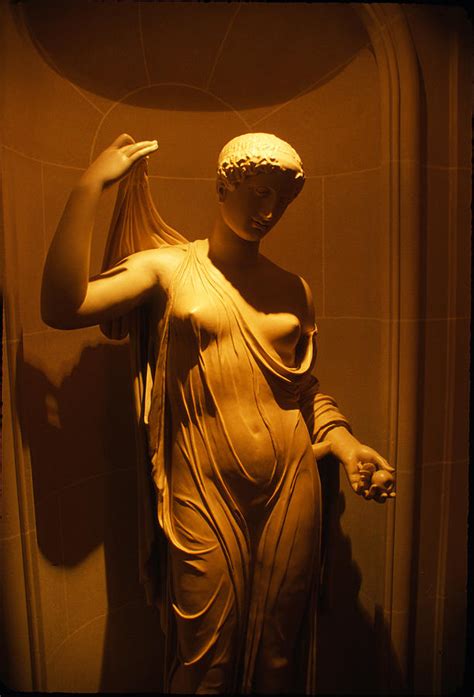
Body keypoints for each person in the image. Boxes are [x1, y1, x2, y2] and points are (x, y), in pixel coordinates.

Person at [41, 132, 395, 694]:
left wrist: (348, 445)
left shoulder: (293, 289)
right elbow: (64, 307)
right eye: (257, 192)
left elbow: (304, 394)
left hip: (292, 489)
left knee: (278, 657)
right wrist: (89, 187)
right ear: (221, 186)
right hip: (201, 490)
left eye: (280, 199)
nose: (268, 211)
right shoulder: (166, 269)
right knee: (206, 665)